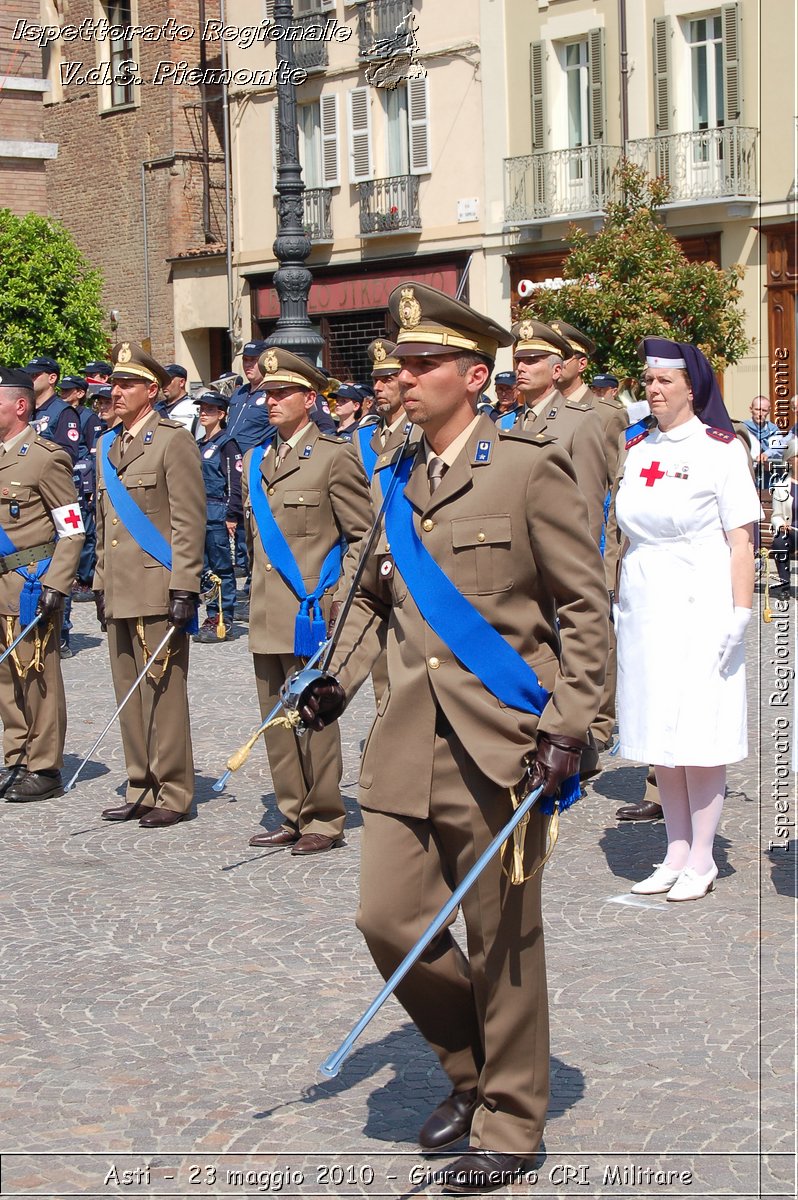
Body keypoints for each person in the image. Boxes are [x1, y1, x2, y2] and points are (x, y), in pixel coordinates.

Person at [306, 284, 609, 1190]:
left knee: (503, 937)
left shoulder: (527, 465)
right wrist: (336, 678)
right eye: (400, 364)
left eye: (424, 364)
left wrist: (573, 723)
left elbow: (584, 607)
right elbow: (369, 595)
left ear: (475, 376)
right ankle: (471, 1071)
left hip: (504, 740)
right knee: (388, 917)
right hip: (405, 738)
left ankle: (512, 1124)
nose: (404, 377)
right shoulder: (392, 471)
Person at [615, 338, 761, 901]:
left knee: (698, 728)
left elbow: (741, 540)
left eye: (664, 381)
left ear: (691, 388)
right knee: (658, 726)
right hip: (647, 596)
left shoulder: (720, 450)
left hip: (702, 594)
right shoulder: (636, 447)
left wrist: (742, 610)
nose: (652, 390)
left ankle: (703, 856)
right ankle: (673, 850)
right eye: (648, 381)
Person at [242, 347, 373, 857]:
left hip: (311, 612)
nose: (270, 403)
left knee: (314, 715)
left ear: (309, 398)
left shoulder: (334, 456)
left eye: (280, 394)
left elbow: (362, 535)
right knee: (276, 717)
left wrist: (339, 595)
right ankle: (291, 810)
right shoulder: (259, 458)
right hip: (266, 609)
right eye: (266, 394)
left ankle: (324, 815)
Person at [94, 341, 206, 828]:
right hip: (119, 587)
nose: (115, 392)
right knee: (128, 691)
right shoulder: (109, 445)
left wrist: (185, 585)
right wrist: (100, 581)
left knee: (162, 689)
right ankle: (140, 782)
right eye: (114, 384)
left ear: (152, 390)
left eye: (127, 384)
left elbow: (188, 520)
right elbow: (104, 525)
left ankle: (175, 789)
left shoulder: (171, 440)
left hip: (158, 585)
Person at [0, 367, 85, 801]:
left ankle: (45, 766)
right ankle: (16, 757)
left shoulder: (45, 457)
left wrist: (58, 583)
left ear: (18, 405)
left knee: (37, 676)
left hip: (29, 584)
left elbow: (71, 529)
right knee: (5, 679)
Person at [500, 320, 607, 546]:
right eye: (519, 361)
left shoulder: (580, 421)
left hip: (558, 550)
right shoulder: (503, 423)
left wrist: (584, 572)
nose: (520, 368)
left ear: (556, 370)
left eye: (531, 361)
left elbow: (589, 505)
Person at [192, 390, 243, 643]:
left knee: (222, 568)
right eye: (202, 409)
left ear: (221, 414)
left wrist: (232, 514)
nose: (204, 413)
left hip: (219, 512)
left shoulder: (227, 443)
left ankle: (224, 617)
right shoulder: (200, 444)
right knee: (206, 569)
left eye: (210, 410)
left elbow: (235, 482)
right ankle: (211, 613)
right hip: (200, 513)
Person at [24, 357, 81, 465]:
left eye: (35, 375)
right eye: (28, 375)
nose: (30, 379)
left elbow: (67, 455)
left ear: (52, 378)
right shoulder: (26, 409)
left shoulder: (64, 412)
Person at [770, 437, 798, 591]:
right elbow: (776, 516)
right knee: (780, 541)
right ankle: (785, 585)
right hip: (792, 531)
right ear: (790, 460)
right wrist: (780, 525)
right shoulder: (781, 487)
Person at [742, 395, 783, 491]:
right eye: (757, 409)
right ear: (751, 409)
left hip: (768, 476)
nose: (760, 414)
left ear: (769, 411)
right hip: (748, 475)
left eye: (764, 410)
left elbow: (778, 447)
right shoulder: (743, 428)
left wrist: (766, 454)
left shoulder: (773, 429)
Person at [157, 363, 198, 434]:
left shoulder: (194, 408)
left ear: (181, 382)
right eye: (162, 380)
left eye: (168, 380)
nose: (164, 384)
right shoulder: (156, 407)